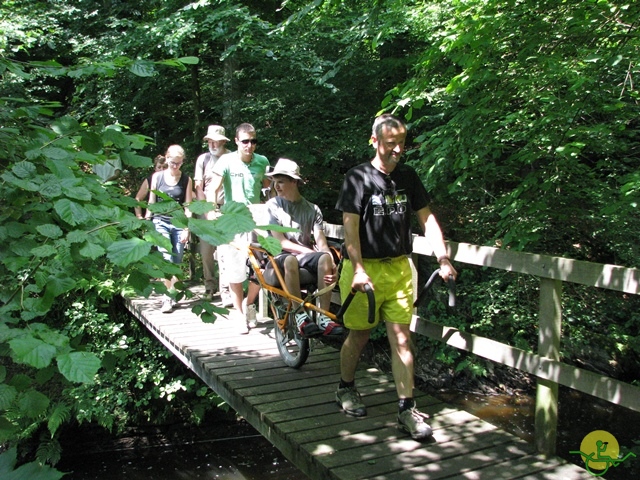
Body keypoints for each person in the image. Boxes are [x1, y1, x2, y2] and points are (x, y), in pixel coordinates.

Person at [334, 114, 457, 440]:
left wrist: (442, 256)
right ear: (374, 142)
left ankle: (406, 409)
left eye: (402, 143)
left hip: (400, 268)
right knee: (359, 335)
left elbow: (427, 221)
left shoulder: (408, 177)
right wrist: (358, 269)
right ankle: (345, 387)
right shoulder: (357, 178)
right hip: (365, 269)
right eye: (391, 144)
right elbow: (350, 230)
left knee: (402, 338)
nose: (398, 150)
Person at [264, 158, 344, 337]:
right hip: (279, 258)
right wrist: (310, 251)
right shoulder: (273, 206)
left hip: (304, 257)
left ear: (294, 181)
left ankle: (323, 317)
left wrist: (330, 260)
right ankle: (300, 315)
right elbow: (281, 243)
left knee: (325, 257)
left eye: (281, 181)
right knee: (291, 260)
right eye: (275, 182)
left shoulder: (312, 209)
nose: (277, 186)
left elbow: (321, 242)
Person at [210, 123, 270, 332]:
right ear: (236, 141)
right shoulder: (226, 161)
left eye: (253, 141)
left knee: (262, 264)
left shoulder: (262, 161)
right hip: (232, 218)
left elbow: (268, 188)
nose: (249, 145)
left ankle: (249, 303)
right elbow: (213, 187)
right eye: (245, 141)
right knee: (234, 268)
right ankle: (239, 313)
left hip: (256, 217)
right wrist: (211, 211)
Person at [145, 145, 193, 313]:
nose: (175, 166)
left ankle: (172, 294)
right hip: (161, 222)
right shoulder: (157, 178)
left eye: (179, 163)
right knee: (167, 259)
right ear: (166, 159)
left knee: (177, 261)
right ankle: (167, 298)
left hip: (179, 224)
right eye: (173, 162)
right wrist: (146, 221)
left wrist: (187, 228)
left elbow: (188, 205)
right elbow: (151, 202)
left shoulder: (186, 179)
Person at [194, 125, 232, 304]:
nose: (212, 144)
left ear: (224, 141)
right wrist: (207, 210)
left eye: (216, 141)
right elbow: (198, 187)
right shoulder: (203, 159)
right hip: (207, 210)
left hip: (228, 211)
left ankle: (226, 291)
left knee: (226, 253)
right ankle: (210, 286)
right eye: (209, 141)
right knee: (206, 252)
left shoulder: (233, 157)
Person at [135, 155, 166, 219]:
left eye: (164, 167)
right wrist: (139, 216)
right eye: (159, 167)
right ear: (155, 169)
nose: (162, 169)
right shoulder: (149, 180)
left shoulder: (174, 179)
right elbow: (138, 199)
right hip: (153, 217)